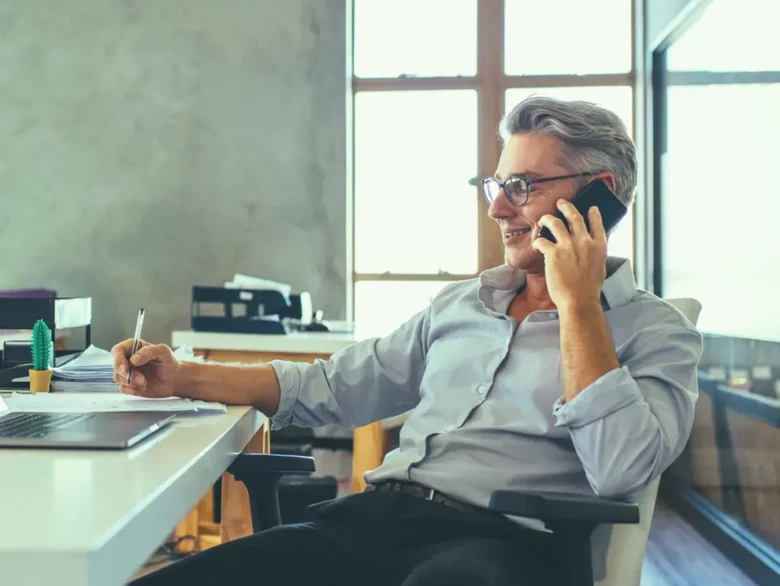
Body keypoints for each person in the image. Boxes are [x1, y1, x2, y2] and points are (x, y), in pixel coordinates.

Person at [116, 96, 702, 586]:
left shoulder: (655, 331)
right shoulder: (461, 305)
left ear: (598, 195)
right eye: (496, 185)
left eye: (521, 186)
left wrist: (576, 304)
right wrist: (182, 375)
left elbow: (622, 469)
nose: (497, 207)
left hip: (501, 549)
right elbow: (327, 388)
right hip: (369, 524)